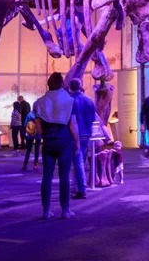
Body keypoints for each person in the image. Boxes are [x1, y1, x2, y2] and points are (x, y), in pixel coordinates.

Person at [34, 72, 80, 219]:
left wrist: (44, 136)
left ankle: (46, 211)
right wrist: (77, 142)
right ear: (62, 83)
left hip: (48, 142)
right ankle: (65, 210)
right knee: (64, 177)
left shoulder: (39, 102)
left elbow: (38, 125)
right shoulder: (70, 101)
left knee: (47, 176)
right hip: (65, 141)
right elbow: (73, 124)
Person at [69, 79, 96, 199]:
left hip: (75, 135)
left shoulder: (70, 101)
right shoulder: (89, 100)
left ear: (70, 87)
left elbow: (71, 121)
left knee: (78, 163)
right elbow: (93, 119)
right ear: (81, 86)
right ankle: (76, 188)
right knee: (81, 162)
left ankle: (81, 189)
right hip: (87, 134)